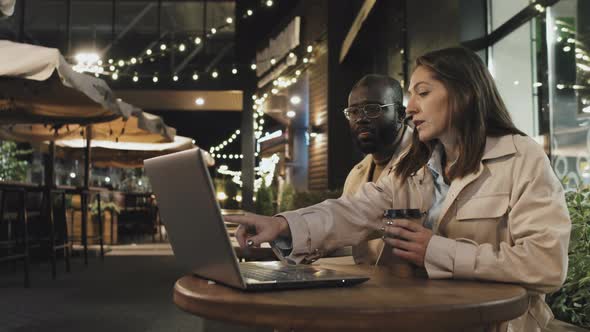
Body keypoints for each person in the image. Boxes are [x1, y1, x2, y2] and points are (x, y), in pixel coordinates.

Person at [227, 47, 571, 332]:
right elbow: (353, 210)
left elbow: (546, 264)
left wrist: (436, 251)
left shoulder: (521, 156)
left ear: (465, 94)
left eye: (423, 93)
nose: (410, 107)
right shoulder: (414, 165)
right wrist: (282, 225)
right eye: (410, 95)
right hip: (424, 319)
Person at [341, 74, 412, 265]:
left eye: (372, 109)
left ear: (400, 114)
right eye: (353, 112)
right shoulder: (356, 174)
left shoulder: (424, 162)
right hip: (366, 287)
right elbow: (344, 227)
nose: (361, 119)